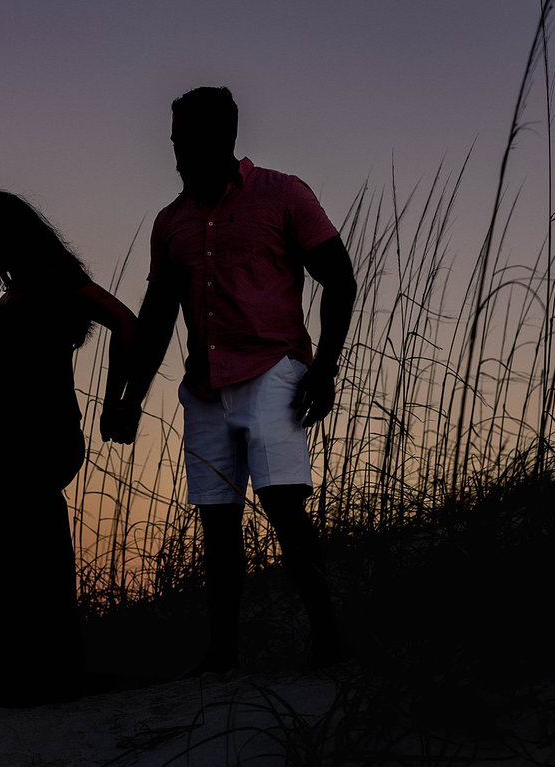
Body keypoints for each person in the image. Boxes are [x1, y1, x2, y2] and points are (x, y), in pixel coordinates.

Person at [103, 86, 356, 671]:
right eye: (174, 141)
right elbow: (160, 317)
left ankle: (328, 641)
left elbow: (338, 279)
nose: (178, 153)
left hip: (275, 372)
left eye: (188, 140)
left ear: (223, 138)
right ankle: (223, 655)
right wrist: (130, 398)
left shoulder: (283, 193)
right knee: (216, 524)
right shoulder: (171, 223)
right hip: (204, 388)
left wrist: (325, 367)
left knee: (284, 507)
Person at [0, 189, 137, 707]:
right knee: (21, 547)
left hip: (42, 438)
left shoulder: (53, 278)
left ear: (4, 235)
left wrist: (117, 402)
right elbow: (2, 390)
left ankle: (21, 680)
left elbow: (127, 323)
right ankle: (39, 677)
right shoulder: (19, 290)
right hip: (9, 440)